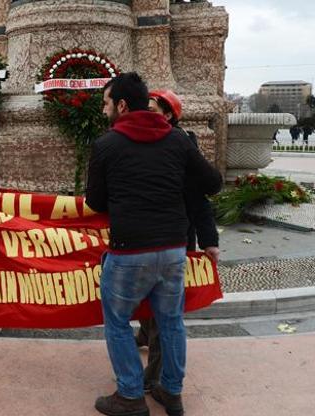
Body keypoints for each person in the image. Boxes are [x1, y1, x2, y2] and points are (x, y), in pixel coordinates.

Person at [85, 73, 222, 416]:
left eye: (105, 103)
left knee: (117, 321)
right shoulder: (177, 141)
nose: (103, 111)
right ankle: (170, 393)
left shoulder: (106, 145)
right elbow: (212, 183)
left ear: (121, 105)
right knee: (171, 321)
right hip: (174, 250)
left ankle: (130, 395)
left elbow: (96, 203)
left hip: (129, 251)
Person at [137, 89, 220, 393]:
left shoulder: (181, 146)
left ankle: (156, 375)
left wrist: (209, 240)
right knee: (146, 302)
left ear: (169, 116)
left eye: (151, 109)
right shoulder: (141, 141)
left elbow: (200, 198)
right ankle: (145, 334)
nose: (143, 114)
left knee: (165, 313)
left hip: (174, 241)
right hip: (145, 240)